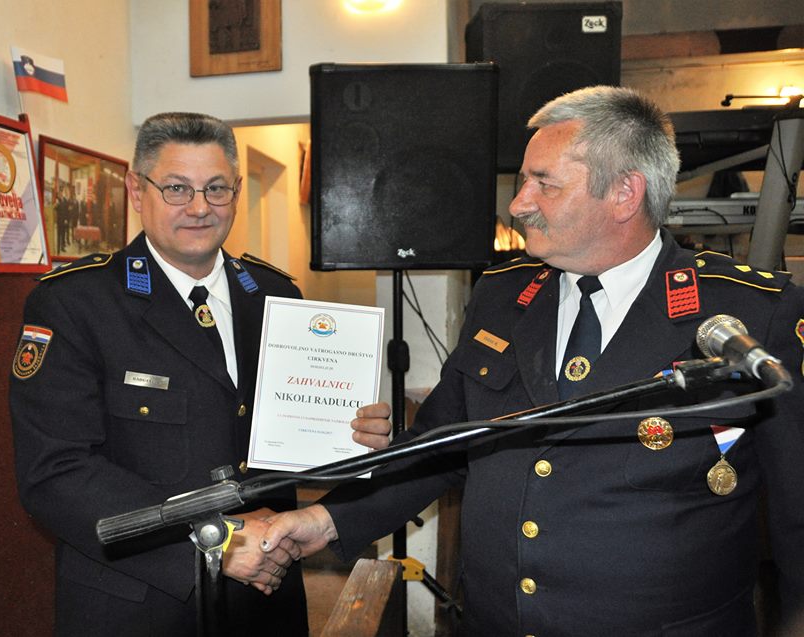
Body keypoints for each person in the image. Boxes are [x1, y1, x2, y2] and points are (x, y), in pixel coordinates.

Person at [261, 86, 804, 636]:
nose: (519, 204)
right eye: (524, 181)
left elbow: (798, 517)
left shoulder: (751, 315)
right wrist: (326, 519)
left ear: (624, 193)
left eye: (545, 183)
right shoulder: (503, 295)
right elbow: (440, 446)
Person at [9, 112, 390, 636]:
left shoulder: (276, 295)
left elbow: (290, 441)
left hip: (263, 599)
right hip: (140, 604)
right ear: (136, 190)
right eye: (176, 188)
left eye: (215, 188)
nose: (199, 207)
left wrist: (353, 437)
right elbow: (56, 474)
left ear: (236, 191)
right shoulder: (75, 304)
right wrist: (212, 538)